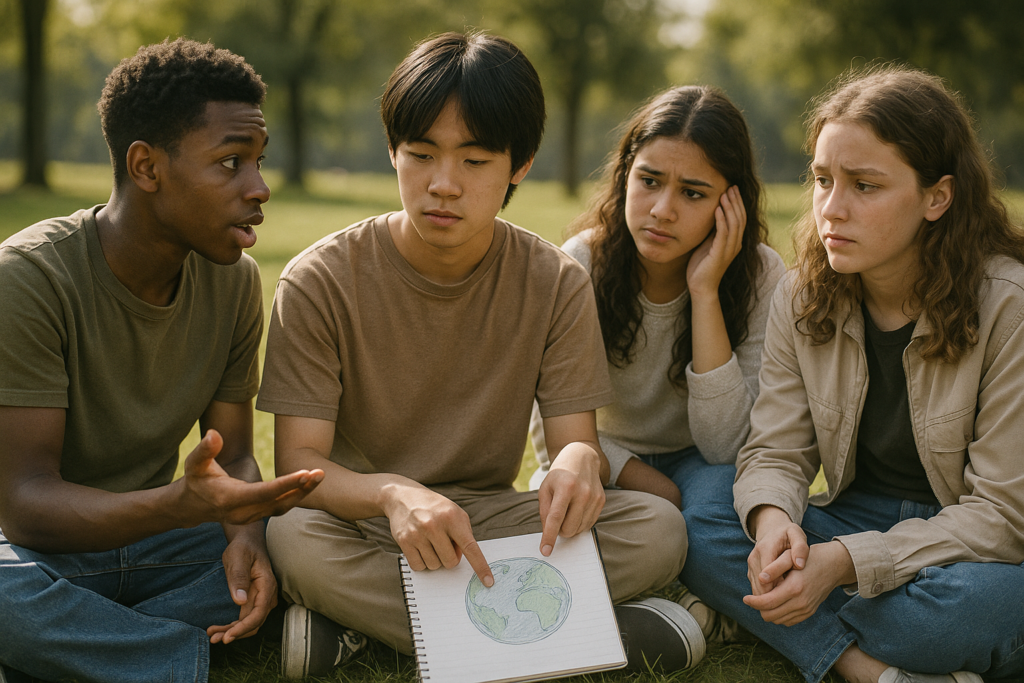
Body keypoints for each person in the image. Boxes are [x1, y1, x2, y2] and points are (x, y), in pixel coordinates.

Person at [257, 31, 700, 679]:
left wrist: (578, 466)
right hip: (371, 525)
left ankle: (366, 636)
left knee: (658, 527)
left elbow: (575, 442)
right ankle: (565, 633)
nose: (443, 184)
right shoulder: (319, 279)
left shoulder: (555, 279)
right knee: (291, 536)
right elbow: (300, 464)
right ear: (393, 151)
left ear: (518, 165)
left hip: (493, 517)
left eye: (474, 160)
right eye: (421, 153)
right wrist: (392, 493)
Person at [680, 65, 1024, 683]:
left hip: (972, 550)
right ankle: (871, 671)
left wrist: (842, 564)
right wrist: (775, 524)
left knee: (952, 612)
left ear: (937, 197)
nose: (831, 209)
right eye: (821, 180)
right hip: (849, 518)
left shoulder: (1010, 306)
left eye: (865, 185)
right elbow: (776, 450)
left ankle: (767, 615)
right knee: (704, 511)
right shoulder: (803, 294)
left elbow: (1002, 515)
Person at [0, 39, 323, 683]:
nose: (259, 188)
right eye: (230, 162)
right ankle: (177, 655)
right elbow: (24, 503)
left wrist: (245, 538)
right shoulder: (28, 278)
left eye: (259, 162)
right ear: (146, 167)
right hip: (39, 553)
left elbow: (232, 458)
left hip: (165, 547)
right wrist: (178, 504)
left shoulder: (235, 282)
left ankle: (72, 650)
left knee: (297, 545)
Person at [529, 85, 785, 513]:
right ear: (625, 175)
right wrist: (648, 483)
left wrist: (705, 293)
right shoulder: (581, 264)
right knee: (561, 501)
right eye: (649, 181)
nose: (662, 210)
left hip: (701, 466)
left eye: (692, 193)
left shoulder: (761, 274)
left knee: (718, 512)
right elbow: (549, 436)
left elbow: (727, 446)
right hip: (599, 458)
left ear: (730, 201)